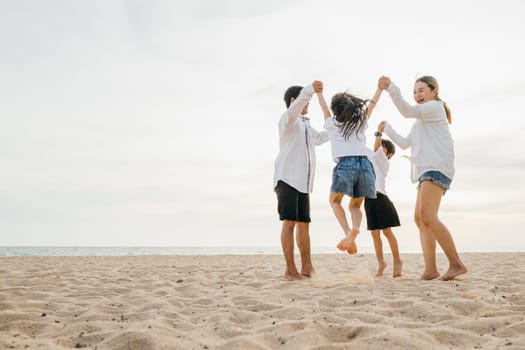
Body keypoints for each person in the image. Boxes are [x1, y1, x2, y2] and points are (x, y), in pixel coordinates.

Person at [378, 75, 467, 281]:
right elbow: (403, 144)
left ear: (434, 92)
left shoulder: (435, 107)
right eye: (414, 92)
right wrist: (387, 129)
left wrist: (391, 87)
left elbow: (407, 111)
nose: (417, 95)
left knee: (428, 217)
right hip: (426, 170)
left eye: (421, 90)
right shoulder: (421, 121)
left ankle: (456, 264)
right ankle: (430, 269)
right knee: (420, 219)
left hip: (436, 168)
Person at [273, 80, 329, 281]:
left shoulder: (306, 124)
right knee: (289, 223)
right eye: (306, 101)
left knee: (304, 224)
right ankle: (290, 270)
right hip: (287, 178)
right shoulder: (287, 120)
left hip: (304, 183)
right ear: (295, 100)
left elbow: (321, 138)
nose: (308, 105)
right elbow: (296, 108)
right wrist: (310, 90)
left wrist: (338, 126)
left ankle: (307, 267)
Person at [318, 87, 383, 255]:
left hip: (345, 164)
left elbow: (324, 109)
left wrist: (319, 93)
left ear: (334, 110)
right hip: (365, 164)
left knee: (334, 201)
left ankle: (348, 231)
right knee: (355, 206)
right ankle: (355, 230)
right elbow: (372, 106)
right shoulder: (359, 121)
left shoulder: (332, 124)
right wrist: (379, 89)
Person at [364, 122, 402, 277]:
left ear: (389, 154)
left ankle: (397, 260)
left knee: (387, 231)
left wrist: (379, 133)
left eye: (383, 148)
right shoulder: (371, 158)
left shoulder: (383, 162)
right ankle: (381, 262)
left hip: (381, 198)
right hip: (368, 199)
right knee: (374, 234)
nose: (380, 149)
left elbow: (375, 147)